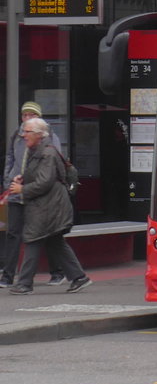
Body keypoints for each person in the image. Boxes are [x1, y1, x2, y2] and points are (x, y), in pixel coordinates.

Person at [6, 117, 90, 295]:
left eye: (27, 132)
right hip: (48, 206)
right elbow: (39, 176)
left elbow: (45, 181)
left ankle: (24, 283)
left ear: (38, 134)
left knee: (33, 239)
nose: (23, 135)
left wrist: (23, 189)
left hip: (49, 207)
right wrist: (21, 179)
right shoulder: (37, 150)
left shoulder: (48, 153)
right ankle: (79, 277)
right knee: (55, 241)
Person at [1, 102, 65, 288]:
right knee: (13, 233)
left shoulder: (48, 138)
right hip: (16, 192)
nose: (27, 118)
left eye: (31, 115)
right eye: (24, 115)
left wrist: (32, 187)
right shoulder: (17, 136)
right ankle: (8, 275)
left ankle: (57, 272)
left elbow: (51, 167)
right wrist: (8, 180)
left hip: (35, 194)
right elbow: (10, 159)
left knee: (44, 234)